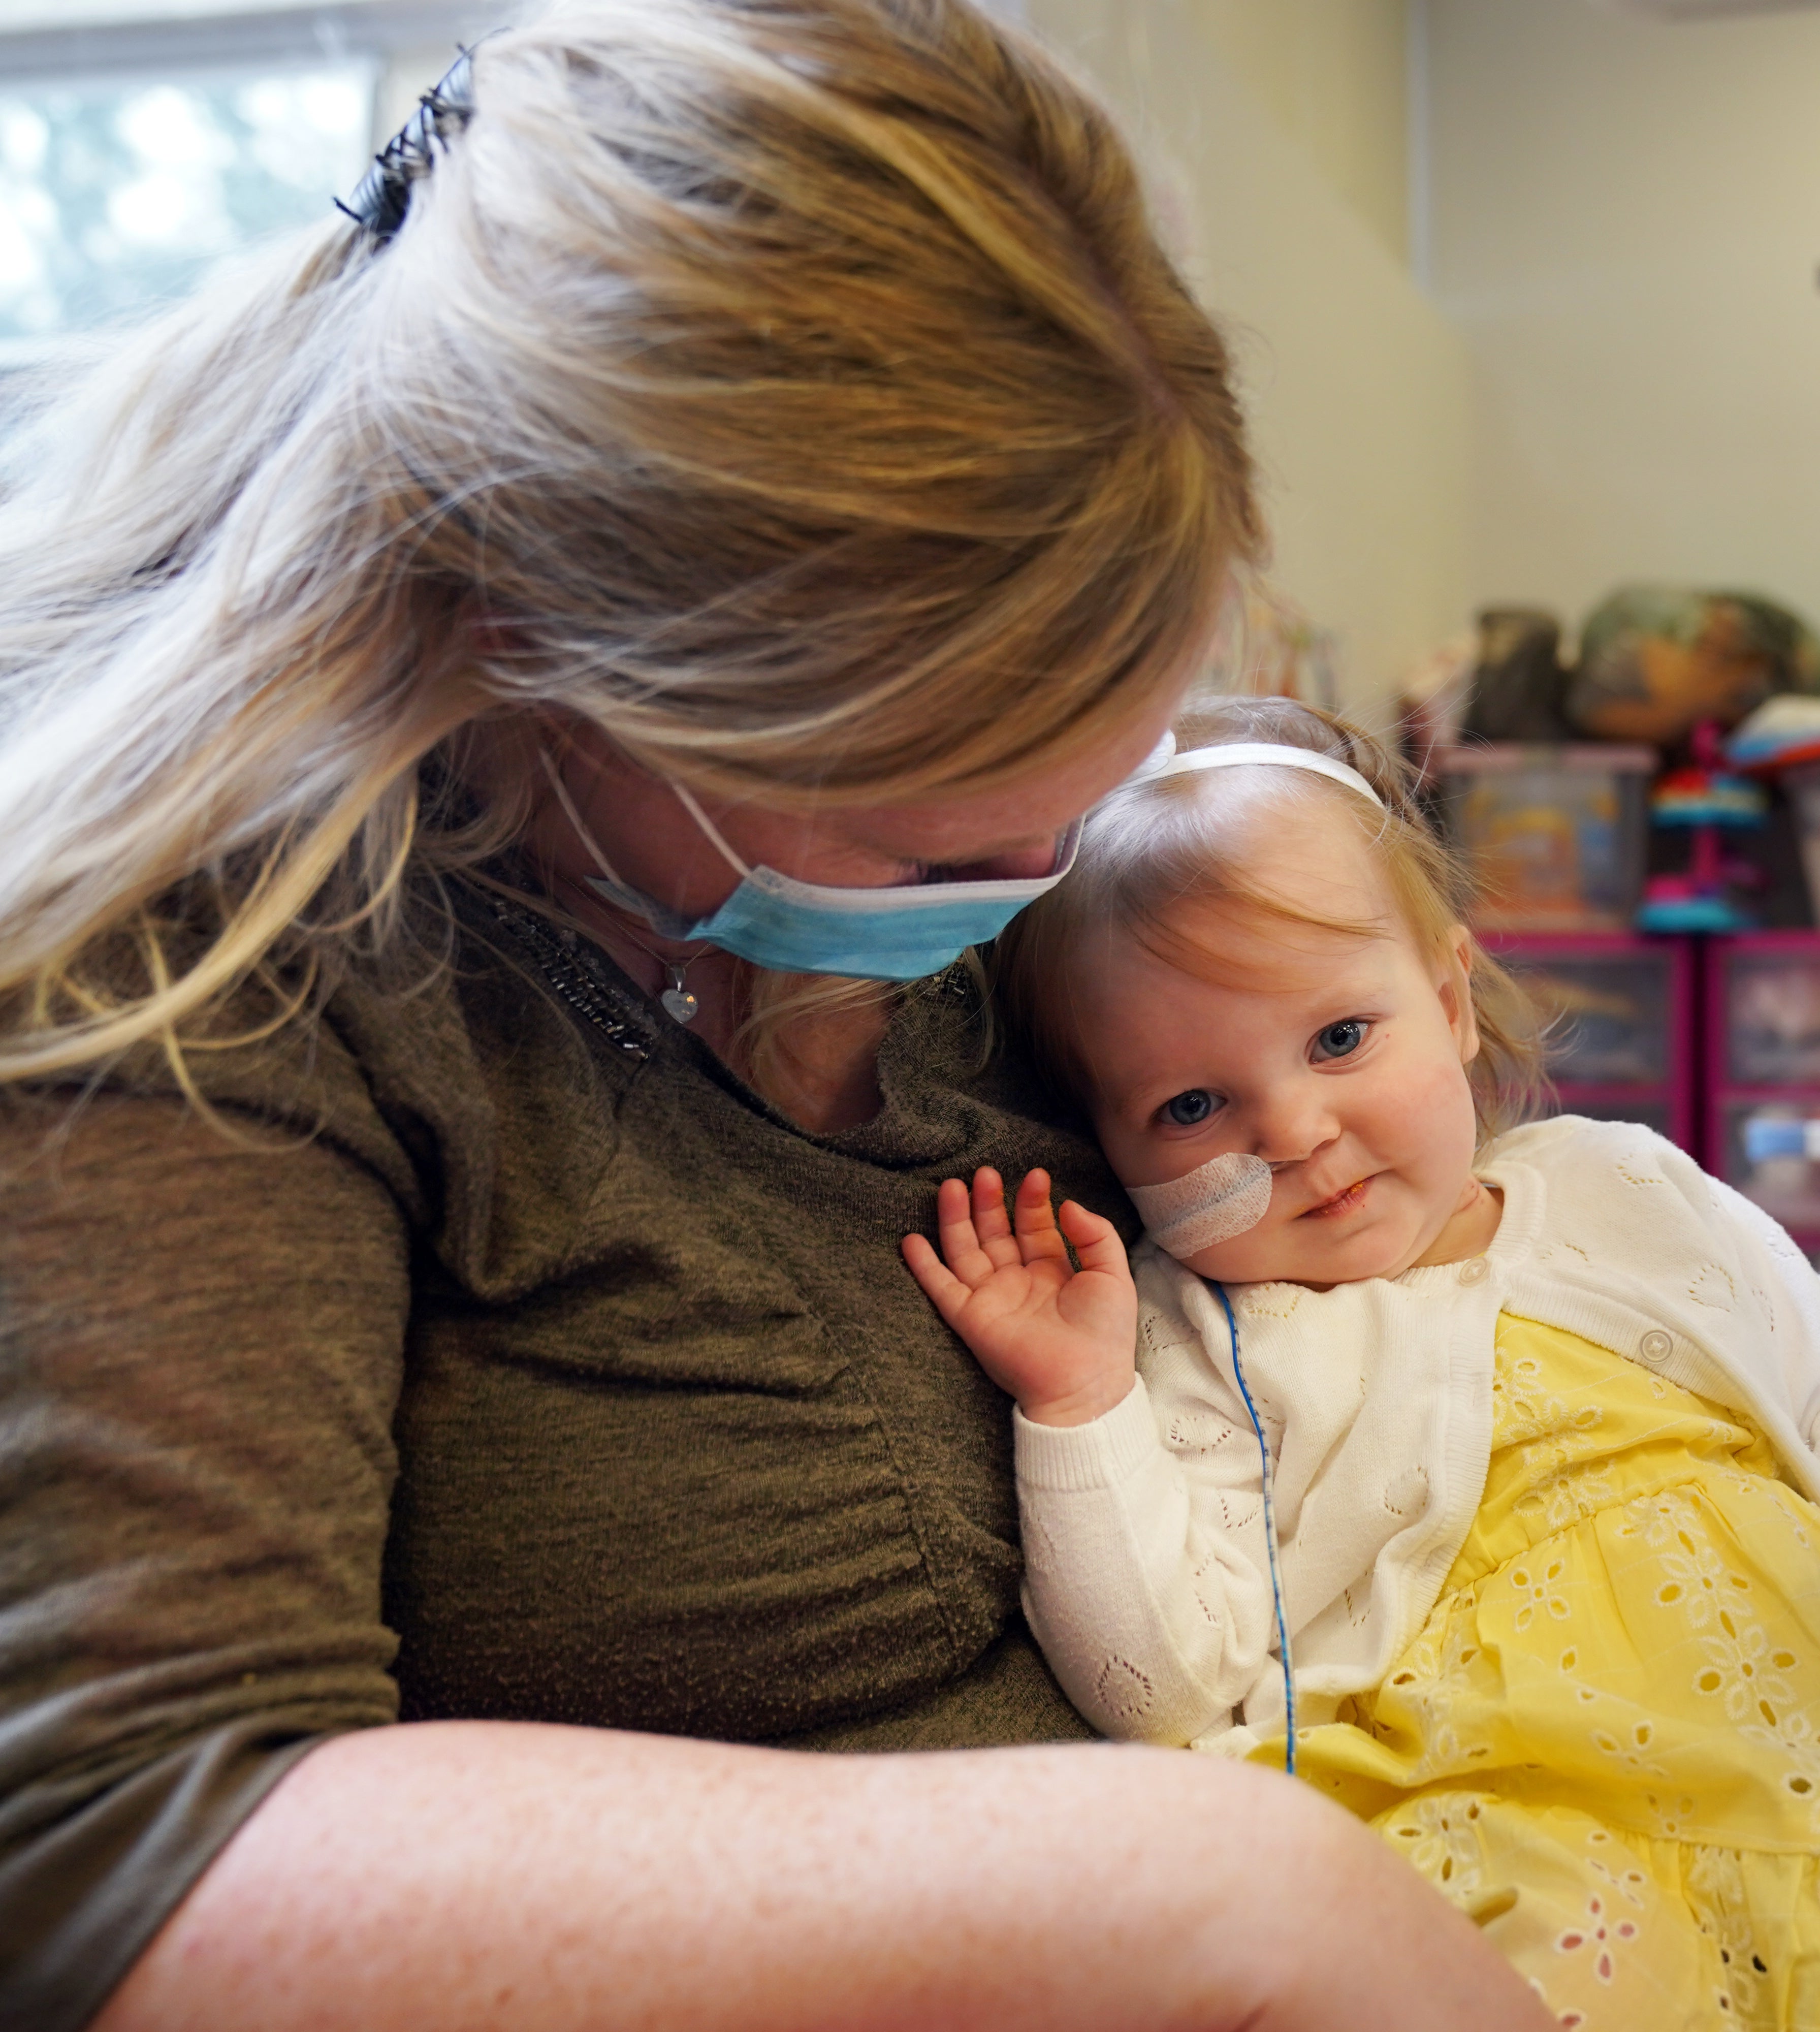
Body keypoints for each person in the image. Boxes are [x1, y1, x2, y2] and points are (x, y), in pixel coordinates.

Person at [0, 3, 1560, 2026]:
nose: (1033, 897)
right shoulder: (201, 982)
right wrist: (1206, 1895)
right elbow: (116, 1844)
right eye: (940, 860)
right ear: (531, 655)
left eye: (1090, 797)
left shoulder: (1018, 871)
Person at [910, 697, 1820, 2031]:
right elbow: (1161, 1685)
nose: (1294, 1131)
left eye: (1342, 1038)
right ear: (1108, 1140)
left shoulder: (1617, 1186)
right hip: (1530, 1817)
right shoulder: (1194, 1332)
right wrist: (1079, 1405)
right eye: (1192, 1105)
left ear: (1454, 1003)